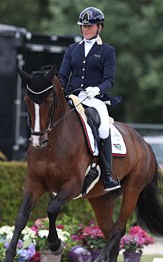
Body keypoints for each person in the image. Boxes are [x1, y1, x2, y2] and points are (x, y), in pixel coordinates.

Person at [59, 6, 121, 192]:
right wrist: (60, 91)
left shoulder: (107, 51)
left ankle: (108, 175)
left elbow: (109, 80)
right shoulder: (72, 49)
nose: (86, 29)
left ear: (99, 27)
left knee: (102, 126)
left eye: (90, 26)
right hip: (73, 96)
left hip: (94, 98)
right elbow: (63, 76)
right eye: (83, 26)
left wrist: (97, 89)